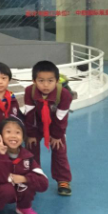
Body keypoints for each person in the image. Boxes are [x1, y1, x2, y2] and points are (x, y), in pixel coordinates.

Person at [0, 118, 49, 214]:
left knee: (28, 183)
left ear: (23, 137)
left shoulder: (27, 157)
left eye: (18, 132)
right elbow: (0, 178)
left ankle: (24, 207)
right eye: (8, 132)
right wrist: (2, 155)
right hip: (1, 189)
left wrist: (24, 178)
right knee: (7, 190)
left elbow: (44, 184)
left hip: (18, 189)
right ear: (0, 136)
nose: (13, 136)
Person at [23, 61, 73, 196]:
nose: (45, 85)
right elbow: (29, 114)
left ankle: (63, 179)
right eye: (41, 81)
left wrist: (56, 136)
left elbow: (61, 117)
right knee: (30, 148)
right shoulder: (29, 91)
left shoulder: (64, 94)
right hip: (36, 125)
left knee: (59, 150)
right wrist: (30, 134)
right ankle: (33, 175)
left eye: (50, 81)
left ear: (56, 81)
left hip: (55, 126)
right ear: (34, 81)